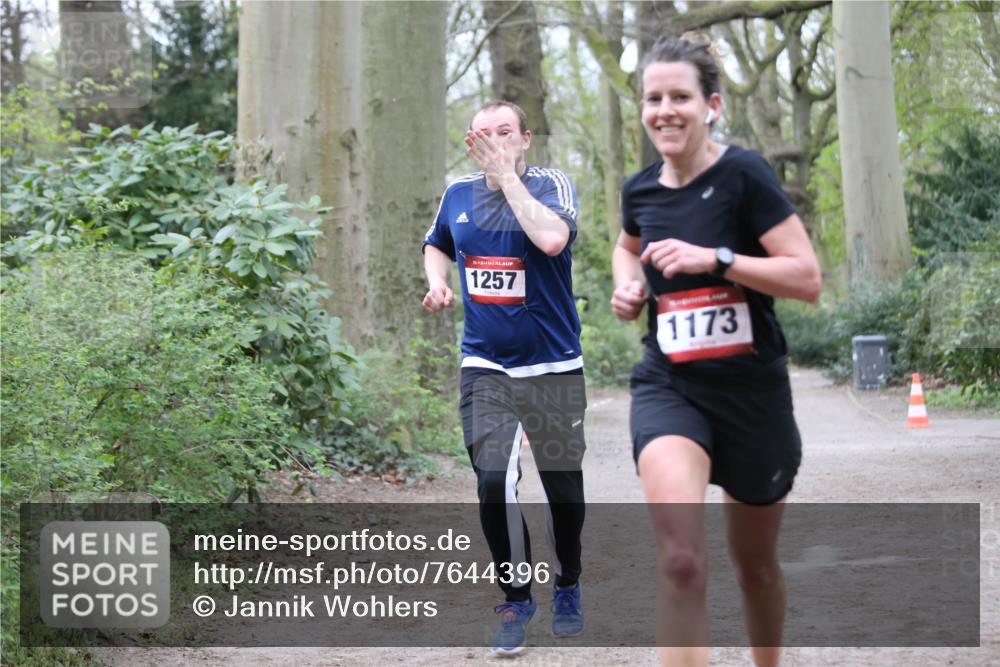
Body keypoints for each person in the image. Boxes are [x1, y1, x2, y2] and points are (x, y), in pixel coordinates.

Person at [610, 38, 822, 667]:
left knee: (754, 567)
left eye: (680, 96)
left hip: (752, 391)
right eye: (653, 98)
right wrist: (629, 285)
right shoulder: (640, 190)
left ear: (712, 106)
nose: (665, 111)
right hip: (671, 386)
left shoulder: (744, 175)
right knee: (680, 559)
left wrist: (718, 259)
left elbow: (806, 278)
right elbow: (627, 246)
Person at [421, 100, 587, 655]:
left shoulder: (550, 186)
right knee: (492, 480)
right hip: (485, 365)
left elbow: (552, 240)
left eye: (505, 132)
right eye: (483, 135)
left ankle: (567, 582)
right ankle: (516, 598)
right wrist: (438, 281)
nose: (494, 142)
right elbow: (437, 242)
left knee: (562, 487)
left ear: (526, 138)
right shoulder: (457, 194)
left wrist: (508, 179)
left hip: (553, 365)